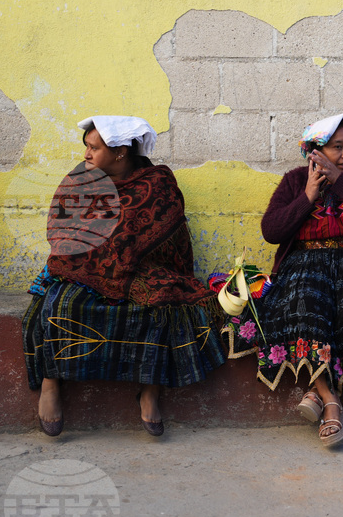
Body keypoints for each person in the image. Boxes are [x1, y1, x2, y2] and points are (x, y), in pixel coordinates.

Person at [23, 116, 226, 437]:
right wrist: (103, 258)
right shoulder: (79, 181)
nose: (87, 155)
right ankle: (51, 382)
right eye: (86, 147)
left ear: (119, 152)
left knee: (159, 306)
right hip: (83, 271)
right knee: (60, 305)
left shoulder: (157, 183)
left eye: (94, 148)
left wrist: (122, 257)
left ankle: (150, 390)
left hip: (142, 271)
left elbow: (165, 236)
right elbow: (62, 233)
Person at [247, 114, 343, 447]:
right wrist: (308, 195)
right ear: (314, 151)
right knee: (307, 296)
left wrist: (340, 179)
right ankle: (332, 404)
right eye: (337, 147)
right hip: (305, 260)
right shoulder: (295, 180)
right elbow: (272, 231)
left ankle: (319, 393)